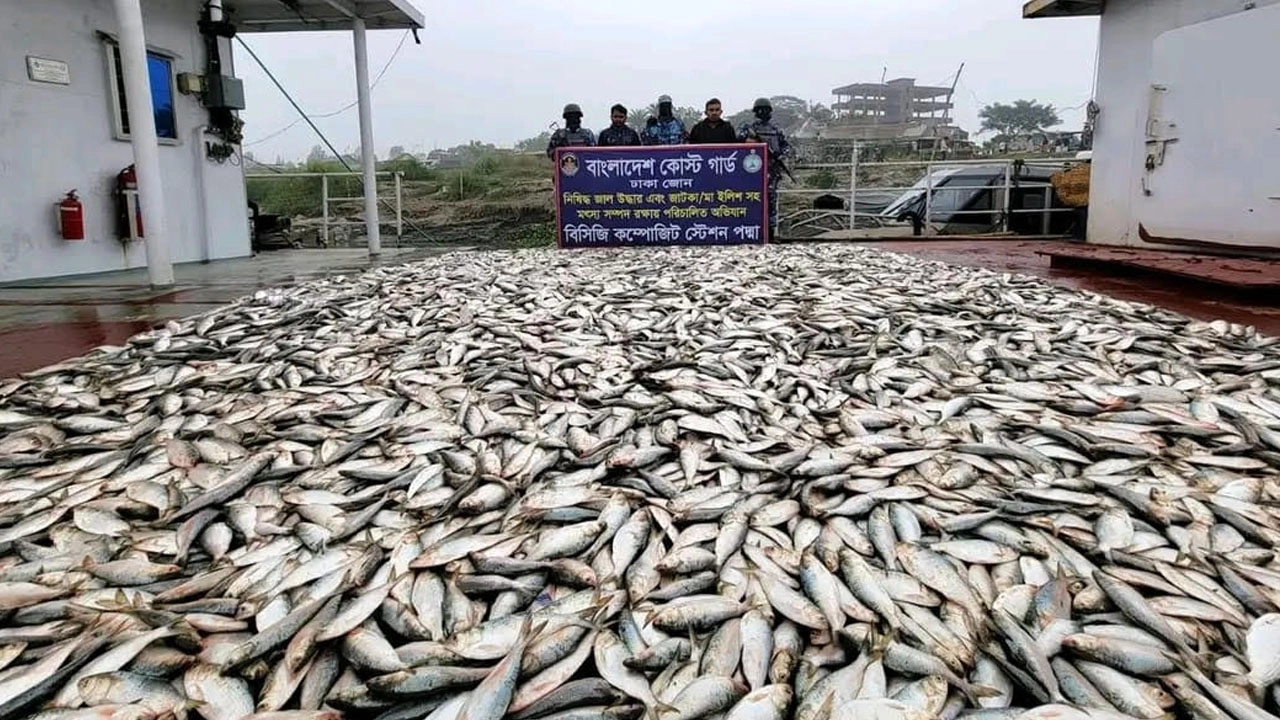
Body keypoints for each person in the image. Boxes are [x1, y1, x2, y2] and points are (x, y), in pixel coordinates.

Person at [738, 97, 792, 238]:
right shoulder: (749, 128)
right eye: (760, 110)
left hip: (772, 170)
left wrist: (780, 155)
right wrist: (753, 142)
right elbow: (739, 140)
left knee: (771, 201)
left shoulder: (776, 129)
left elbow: (786, 146)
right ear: (755, 112)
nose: (763, 112)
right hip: (753, 170)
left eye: (766, 110)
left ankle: (771, 232)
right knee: (752, 200)